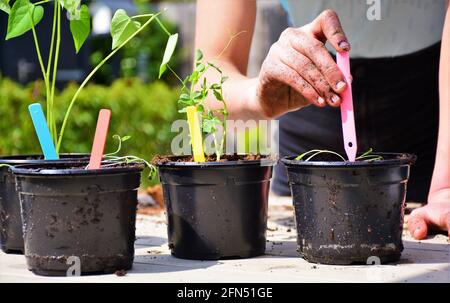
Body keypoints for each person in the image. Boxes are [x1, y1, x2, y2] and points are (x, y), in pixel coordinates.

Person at [195, 0, 450, 240]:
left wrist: (445, 188)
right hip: (306, 100)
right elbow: (209, 75)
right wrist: (257, 96)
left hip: (434, 112)